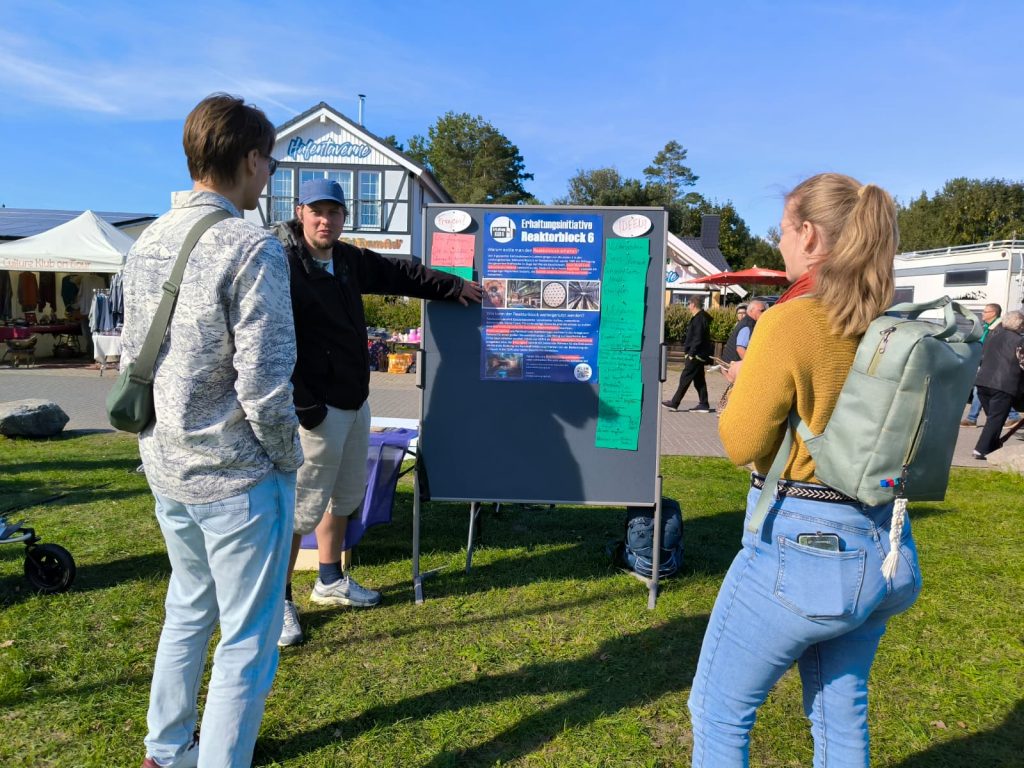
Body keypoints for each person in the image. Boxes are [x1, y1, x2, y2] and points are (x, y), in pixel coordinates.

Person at [688, 173, 921, 766]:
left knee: (718, 713)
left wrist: (746, 387)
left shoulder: (791, 321)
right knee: (840, 716)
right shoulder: (893, 324)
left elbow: (741, 442)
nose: (780, 245)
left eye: (783, 231)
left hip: (801, 544)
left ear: (810, 235)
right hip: (885, 542)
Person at [121, 94, 302, 768]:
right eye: (271, 162)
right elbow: (265, 381)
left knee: (188, 610)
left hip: (167, 464)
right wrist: (289, 461)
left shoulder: (148, 241)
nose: (270, 175)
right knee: (247, 639)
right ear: (251, 159)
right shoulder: (251, 246)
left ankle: (165, 750)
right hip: (235, 474)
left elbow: (128, 351)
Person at [275, 178, 482, 646]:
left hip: (354, 401)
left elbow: (403, 274)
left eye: (335, 212)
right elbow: (271, 342)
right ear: (300, 211)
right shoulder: (283, 263)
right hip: (313, 410)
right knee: (298, 510)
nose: (326, 220)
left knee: (343, 499)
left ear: (345, 217)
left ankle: (329, 581)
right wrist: (305, 405)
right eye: (317, 211)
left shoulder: (347, 259)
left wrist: (454, 287)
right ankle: (279, 602)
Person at [972, 310, 1024, 459]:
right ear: (1020, 324)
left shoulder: (992, 336)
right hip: (1003, 384)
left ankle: (993, 447)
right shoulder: (1019, 341)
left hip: (982, 383)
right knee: (996, 419)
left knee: (993, 419)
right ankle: (980, 450)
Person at [962, 303, 1021, 428]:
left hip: (992, 364)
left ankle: (1012, 416)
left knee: (983, 389)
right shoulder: (989, 326)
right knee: (980, 389)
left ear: (993, 313)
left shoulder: (999, 327)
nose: (982, 313)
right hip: (985, 362)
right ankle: (973, 418)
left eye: (985, 311)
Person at [662, 296, 713, 412]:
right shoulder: (699, 318)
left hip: (696, 355)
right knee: (699, 381)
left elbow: (698, 338)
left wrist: (691, 353)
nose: (688, 306)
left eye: (689, 304)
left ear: (693, 305)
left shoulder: (699, 319)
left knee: (685, 378)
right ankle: (704, 404)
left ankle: (674, 403)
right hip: (698, 354)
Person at [721, 300, 766, 364]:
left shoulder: (747, 322)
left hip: (730, 363)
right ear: (752, 310)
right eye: (761, 310)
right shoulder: (747, 325)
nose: (764, 313)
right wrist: (750, 365)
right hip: (732, 366)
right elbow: (740, 349)